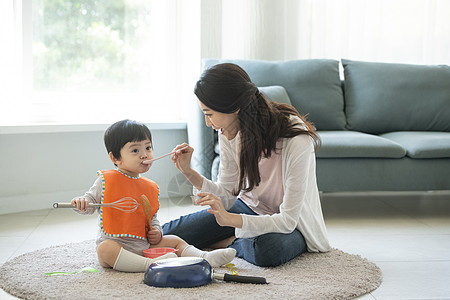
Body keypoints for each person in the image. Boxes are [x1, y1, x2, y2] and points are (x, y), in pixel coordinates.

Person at [164, 63, 331, 267]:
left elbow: (287, 220)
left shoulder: (295, 137)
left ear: (234, 108)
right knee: (166, 234)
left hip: (292, 225)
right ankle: (232, 239)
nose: (209, 123)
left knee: (267, 250)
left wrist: (230, 220)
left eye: (209, 114)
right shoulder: (228, 131)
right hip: (249, 207)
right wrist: (189, 172)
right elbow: (226, 195)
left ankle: (229, 241)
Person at [71, 119, 236, 272]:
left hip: (144, 245)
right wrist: (82, 203)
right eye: (135, 150)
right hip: (117, 246)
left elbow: (152, 218)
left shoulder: (149, 187)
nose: (144, 155)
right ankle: (151, 264)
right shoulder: (105, 180)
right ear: (115, 157)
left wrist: (156, 230)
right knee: (105, 249)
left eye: (148, 148)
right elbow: (91, 202)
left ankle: (205, 257)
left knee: (174, 239)